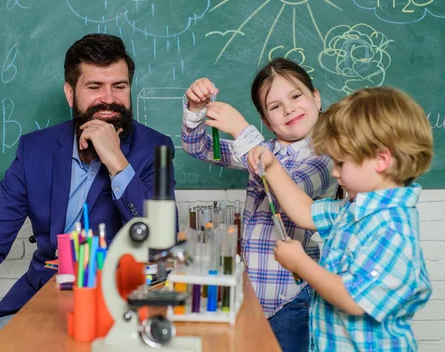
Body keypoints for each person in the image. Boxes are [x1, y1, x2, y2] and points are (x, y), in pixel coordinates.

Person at [0, 33, 176, 350]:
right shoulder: (35, 150)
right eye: (95, 87)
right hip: (39, 301)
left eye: (119, 86)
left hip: (118, 307)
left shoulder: (155, 148)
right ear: (70, 93)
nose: (109, 99)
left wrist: (116, 161)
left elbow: (161, 242)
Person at [248, 86, 433, 351]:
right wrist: (273, 166)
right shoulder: (354, 208)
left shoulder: (391, 227)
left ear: (381, 160)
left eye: (341, 163)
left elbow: (353, 299)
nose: (334, 172)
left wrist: (302, 264)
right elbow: (305, 211)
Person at [181, 58, 337, 351]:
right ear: (266, 120)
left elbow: (289, 188)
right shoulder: (262, 149)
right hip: (253, 293)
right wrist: (196, 111)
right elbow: (198, 147)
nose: (289, 108)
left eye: (295, 96)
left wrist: (243, 132)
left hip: (292, 298)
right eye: (275, 106)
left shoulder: (327, 156)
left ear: (316, 98)